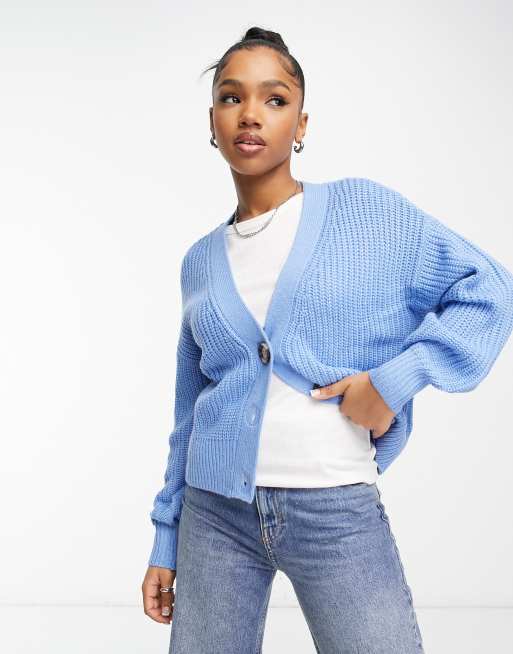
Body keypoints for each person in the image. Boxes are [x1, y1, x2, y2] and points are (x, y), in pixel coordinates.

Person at [141, 26, 513, 654]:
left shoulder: (364, 214)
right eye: (231, 97)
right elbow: (189, 410)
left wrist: (393, 383)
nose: (251, 114)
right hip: (213, 515)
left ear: (302, 124)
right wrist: (165, 535)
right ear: (212, 122)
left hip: (334, 507)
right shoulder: (199, 261)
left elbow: (489, 289)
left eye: (275, 99)